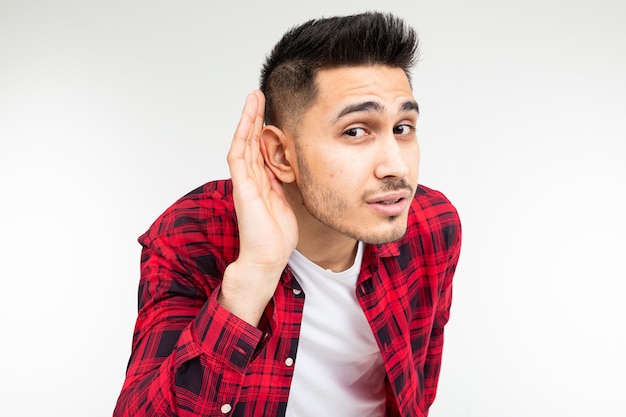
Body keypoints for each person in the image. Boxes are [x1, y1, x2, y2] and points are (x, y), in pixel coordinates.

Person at [113, 11, 461, 417]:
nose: (396, 167)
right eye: (356, 131)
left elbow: (415, 392)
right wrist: (254, 275)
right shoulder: (194, 233)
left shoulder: (432, 227)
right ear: (280, 154)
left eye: (403, 128)